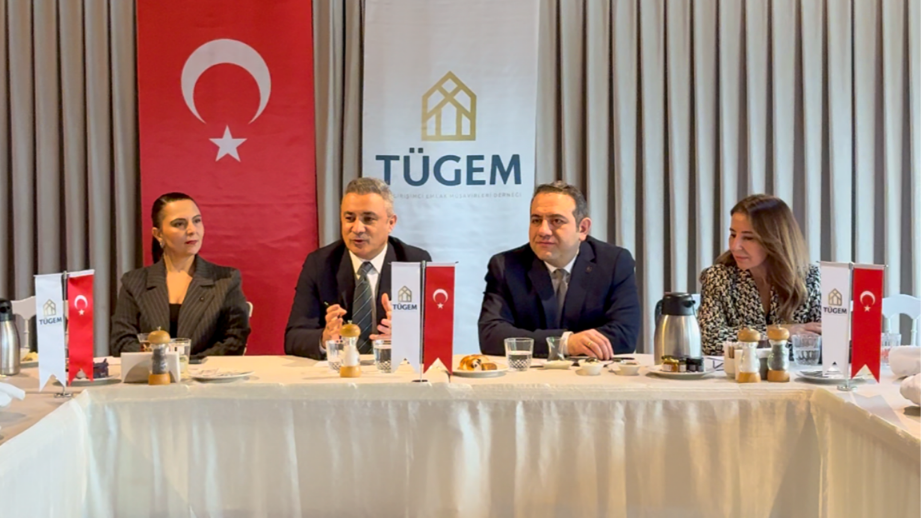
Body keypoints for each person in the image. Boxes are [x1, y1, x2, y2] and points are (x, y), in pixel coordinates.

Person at [478, 181, 641, 360]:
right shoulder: (506, 266)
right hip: (530, 374)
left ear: (582, 228)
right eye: (536, 220)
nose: (543, 230)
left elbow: (625, 335)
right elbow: (491, 336)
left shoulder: (614, 263)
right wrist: (564, 343)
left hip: (591, 373)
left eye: (556, 221)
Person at [285, 178, 431, 359]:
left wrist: (406, 338)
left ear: (391, 223)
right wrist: (325, 338)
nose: (357, 228)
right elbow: (294, 337)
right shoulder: (320, 264)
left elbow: (437, 336)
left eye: (368, 219)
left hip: (394, 370)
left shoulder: (414, 263)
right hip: (340, 372)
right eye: (349, 218)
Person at [110, 193, 251, 357]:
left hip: (206, 372)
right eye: (179, 224)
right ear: (158, 234)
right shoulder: (134, 282)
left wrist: (185, 365)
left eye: (197, 221)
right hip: (150, 372)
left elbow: (234, 342)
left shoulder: (226, 280)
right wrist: (161, 363)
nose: (192, 230)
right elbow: (122, 342)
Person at [698, 194, 822, 355]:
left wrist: (745, 340)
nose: (735, 246)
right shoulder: (718, 277)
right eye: (733, 234)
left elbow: (822, 343)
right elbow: (709, 340)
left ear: (775, 239)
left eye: (749, 238)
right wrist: (781, 332)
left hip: (794, 371)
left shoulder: (809, 278)